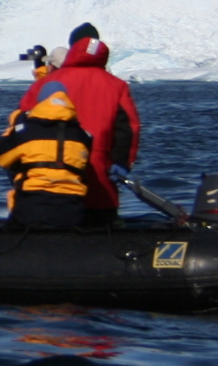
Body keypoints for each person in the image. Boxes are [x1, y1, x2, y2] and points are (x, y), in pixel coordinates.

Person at [21, 22, 142, 223]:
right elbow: (128, 129)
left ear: (72, 47)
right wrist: (121, 163)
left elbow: (22, 124)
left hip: (50, 184)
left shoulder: (46, 84)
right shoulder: (116, 86)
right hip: (100, 182)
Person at [0, 76, 96, 227]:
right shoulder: (83, 135)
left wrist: (12, 129)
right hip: (72, 209)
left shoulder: (26, 132)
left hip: (32, 206)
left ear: (41, 103)